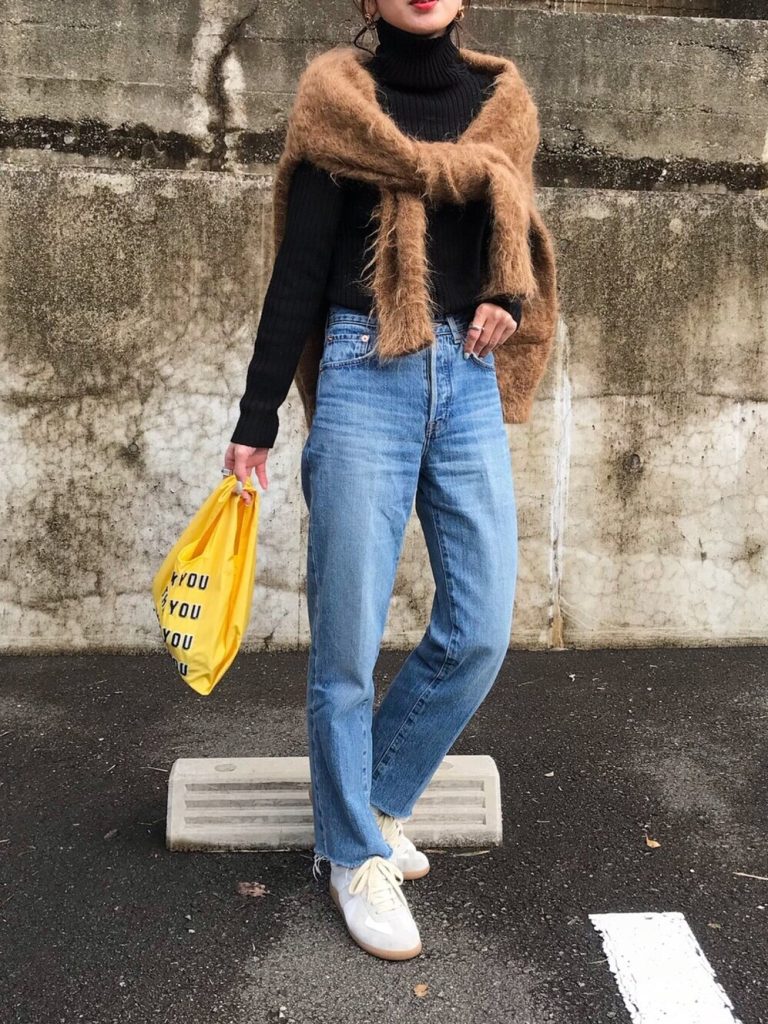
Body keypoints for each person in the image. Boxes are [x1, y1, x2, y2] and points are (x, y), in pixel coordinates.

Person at [224, 0, 555, 961]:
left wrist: (505, 298)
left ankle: (369, 802)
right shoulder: (338, 102)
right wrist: (255, 420)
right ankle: (352, 856)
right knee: (346, 642)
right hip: (365, 367)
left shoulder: (502, 105)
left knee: (481, 623)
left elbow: (513, 243)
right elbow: (299, 270)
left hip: (466, 376)